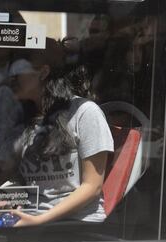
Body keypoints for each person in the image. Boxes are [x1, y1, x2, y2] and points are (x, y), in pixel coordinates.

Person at [8, 38, 113, 226]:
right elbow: (24, 178)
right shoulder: (23, 116)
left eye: (19, 69)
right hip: (30, 221)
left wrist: (39, 221)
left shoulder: (85, 112)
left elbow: (93, 186)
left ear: (43, 72)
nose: (12, 76)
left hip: (75, 226)